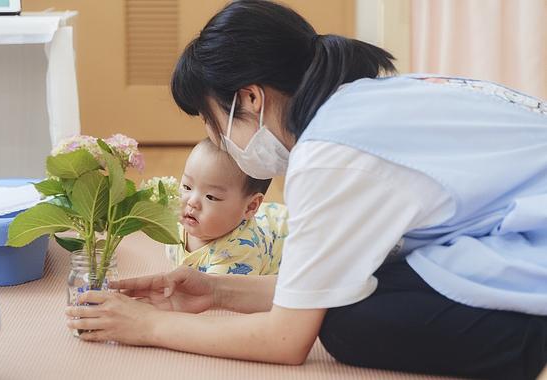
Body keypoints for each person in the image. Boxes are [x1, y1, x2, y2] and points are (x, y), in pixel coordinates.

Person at [66, 1, 547, 378]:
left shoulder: (330, 152)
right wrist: (215, 291)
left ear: (250, 97)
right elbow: (326, 279)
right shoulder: (365, 99)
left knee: (347, 325)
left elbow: (285, 341)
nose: (224, 146)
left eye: (217, 129)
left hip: (532, 257)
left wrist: (150, 326)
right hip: (517, 229)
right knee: (361, 282)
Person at [173, 138, 286, 275]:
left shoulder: (241, 252)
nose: (191, 202)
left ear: (250, 206)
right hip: (270, 216)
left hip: (291, 234)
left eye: (211, 197)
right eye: (187, 187)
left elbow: (219, 294)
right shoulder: (174, 228)